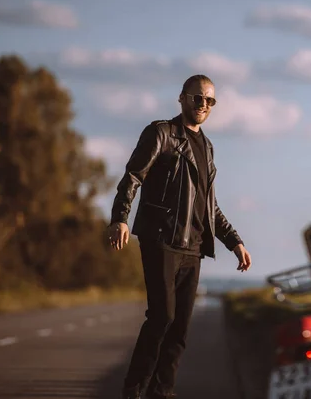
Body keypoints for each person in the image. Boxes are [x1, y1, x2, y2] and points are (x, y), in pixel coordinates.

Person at [107, 74, 252, 399]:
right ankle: (134, 389)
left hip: (194, 247)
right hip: (161, 239)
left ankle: (162, 392)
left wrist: (235, 241)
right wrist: (120, 218)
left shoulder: (207, 147)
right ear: (182, 98)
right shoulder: (162, 133)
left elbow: (208, 205)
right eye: (197, 98)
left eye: (209, 100)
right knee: (162, 317)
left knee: (180, 330)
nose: (203, 105)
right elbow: (133, 176)